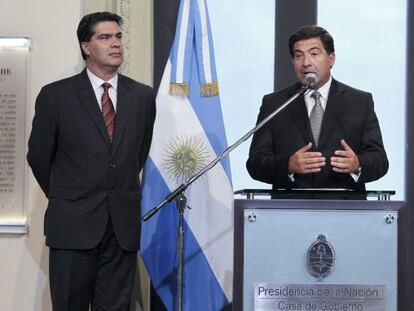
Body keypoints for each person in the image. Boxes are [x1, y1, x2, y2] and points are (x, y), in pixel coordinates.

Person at [27, 12, 155, 311]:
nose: (116, 44)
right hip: (72, 226)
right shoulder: (56, 96)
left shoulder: (142, 96)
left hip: (121, 230)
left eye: (119, 36)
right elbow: (39, 158)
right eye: (105, 37)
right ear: (86, 47)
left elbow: (136, 155)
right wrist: (69, 195)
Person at [246, 25, 388, 193]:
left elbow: (380, 160)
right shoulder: (275, 104)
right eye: (299, 56)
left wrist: (357, 165)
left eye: (314, 54)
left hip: (346, 210)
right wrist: (288, 166)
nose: (306, 63)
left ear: (331, 58)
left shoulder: (359, 102)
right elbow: (255, 163)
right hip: (289, 212)